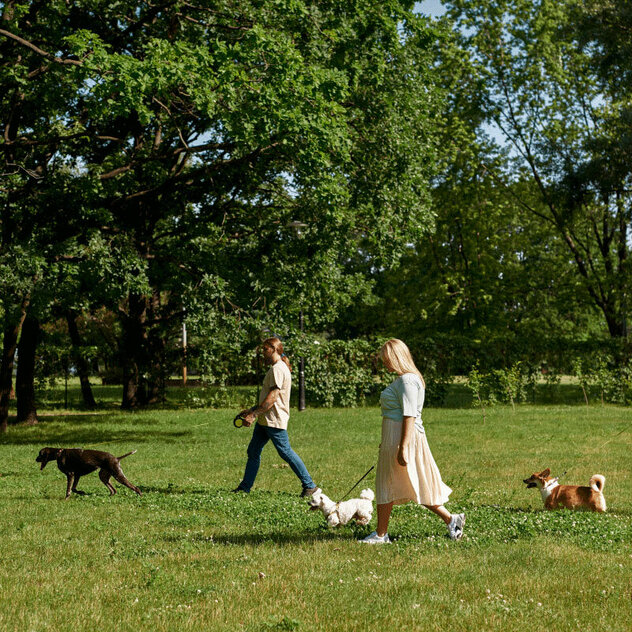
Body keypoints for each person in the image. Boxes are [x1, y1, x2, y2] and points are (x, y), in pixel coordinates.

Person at [360, 338, 465, 543]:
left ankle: (382, 535)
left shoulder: (408, 380)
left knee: (396, 483)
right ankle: (451, 520)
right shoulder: (405, 379)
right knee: (401, 484)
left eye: (387, 359)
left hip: (402, 438)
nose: (385, 364)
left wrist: (403, 447)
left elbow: (410, 415)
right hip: (395, 438)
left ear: (396, 357)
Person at [232, 337, 319, 497]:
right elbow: (268, 396)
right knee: (253, 451)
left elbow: (273, 397)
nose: (262, 353)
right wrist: (251, 410)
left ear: (273, 349)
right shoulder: (277, 368)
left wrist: (253, 415)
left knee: (285, 451)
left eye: (265, 350)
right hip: (265, 419)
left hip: (274, 419)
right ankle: (245, 487)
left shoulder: (278, 369)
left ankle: (310, 486)